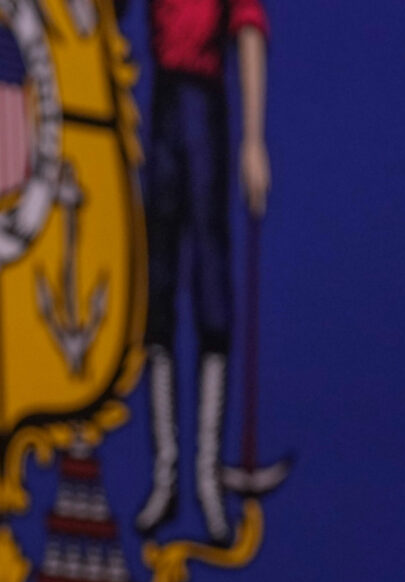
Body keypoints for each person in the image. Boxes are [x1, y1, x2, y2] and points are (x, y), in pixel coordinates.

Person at [128, 0, 271, 542]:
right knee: (157, 292)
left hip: (204, 109)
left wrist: (253, 140)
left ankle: (207, 478)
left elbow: (249, 32)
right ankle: (166, 475)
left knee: (212, 288)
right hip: (163, 107)